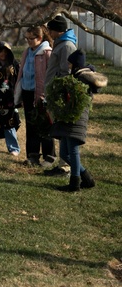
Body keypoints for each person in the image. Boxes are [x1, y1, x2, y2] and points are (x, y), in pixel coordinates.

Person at [44, 13, 94, 191]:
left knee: (71, 149)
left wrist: (57, 90)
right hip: (60, 100)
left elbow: (65, 72)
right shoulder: (60, 43)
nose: (48, 32)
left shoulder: (66, 45)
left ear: (57, 30)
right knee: (66, 150)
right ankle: (85, 178)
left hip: (68, 106)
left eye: (50, 29)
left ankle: (75, 182)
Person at [15, 26, 55, 166]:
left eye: (31, 38)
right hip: (27, 92)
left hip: (42, 94)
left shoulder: (47, 52)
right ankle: (32, 156)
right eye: (27, 38)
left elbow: (51, 75)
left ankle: (49, 157)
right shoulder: (27, 52)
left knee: (44, 125)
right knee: (31, 125)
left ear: (40, 38)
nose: (29, 41)